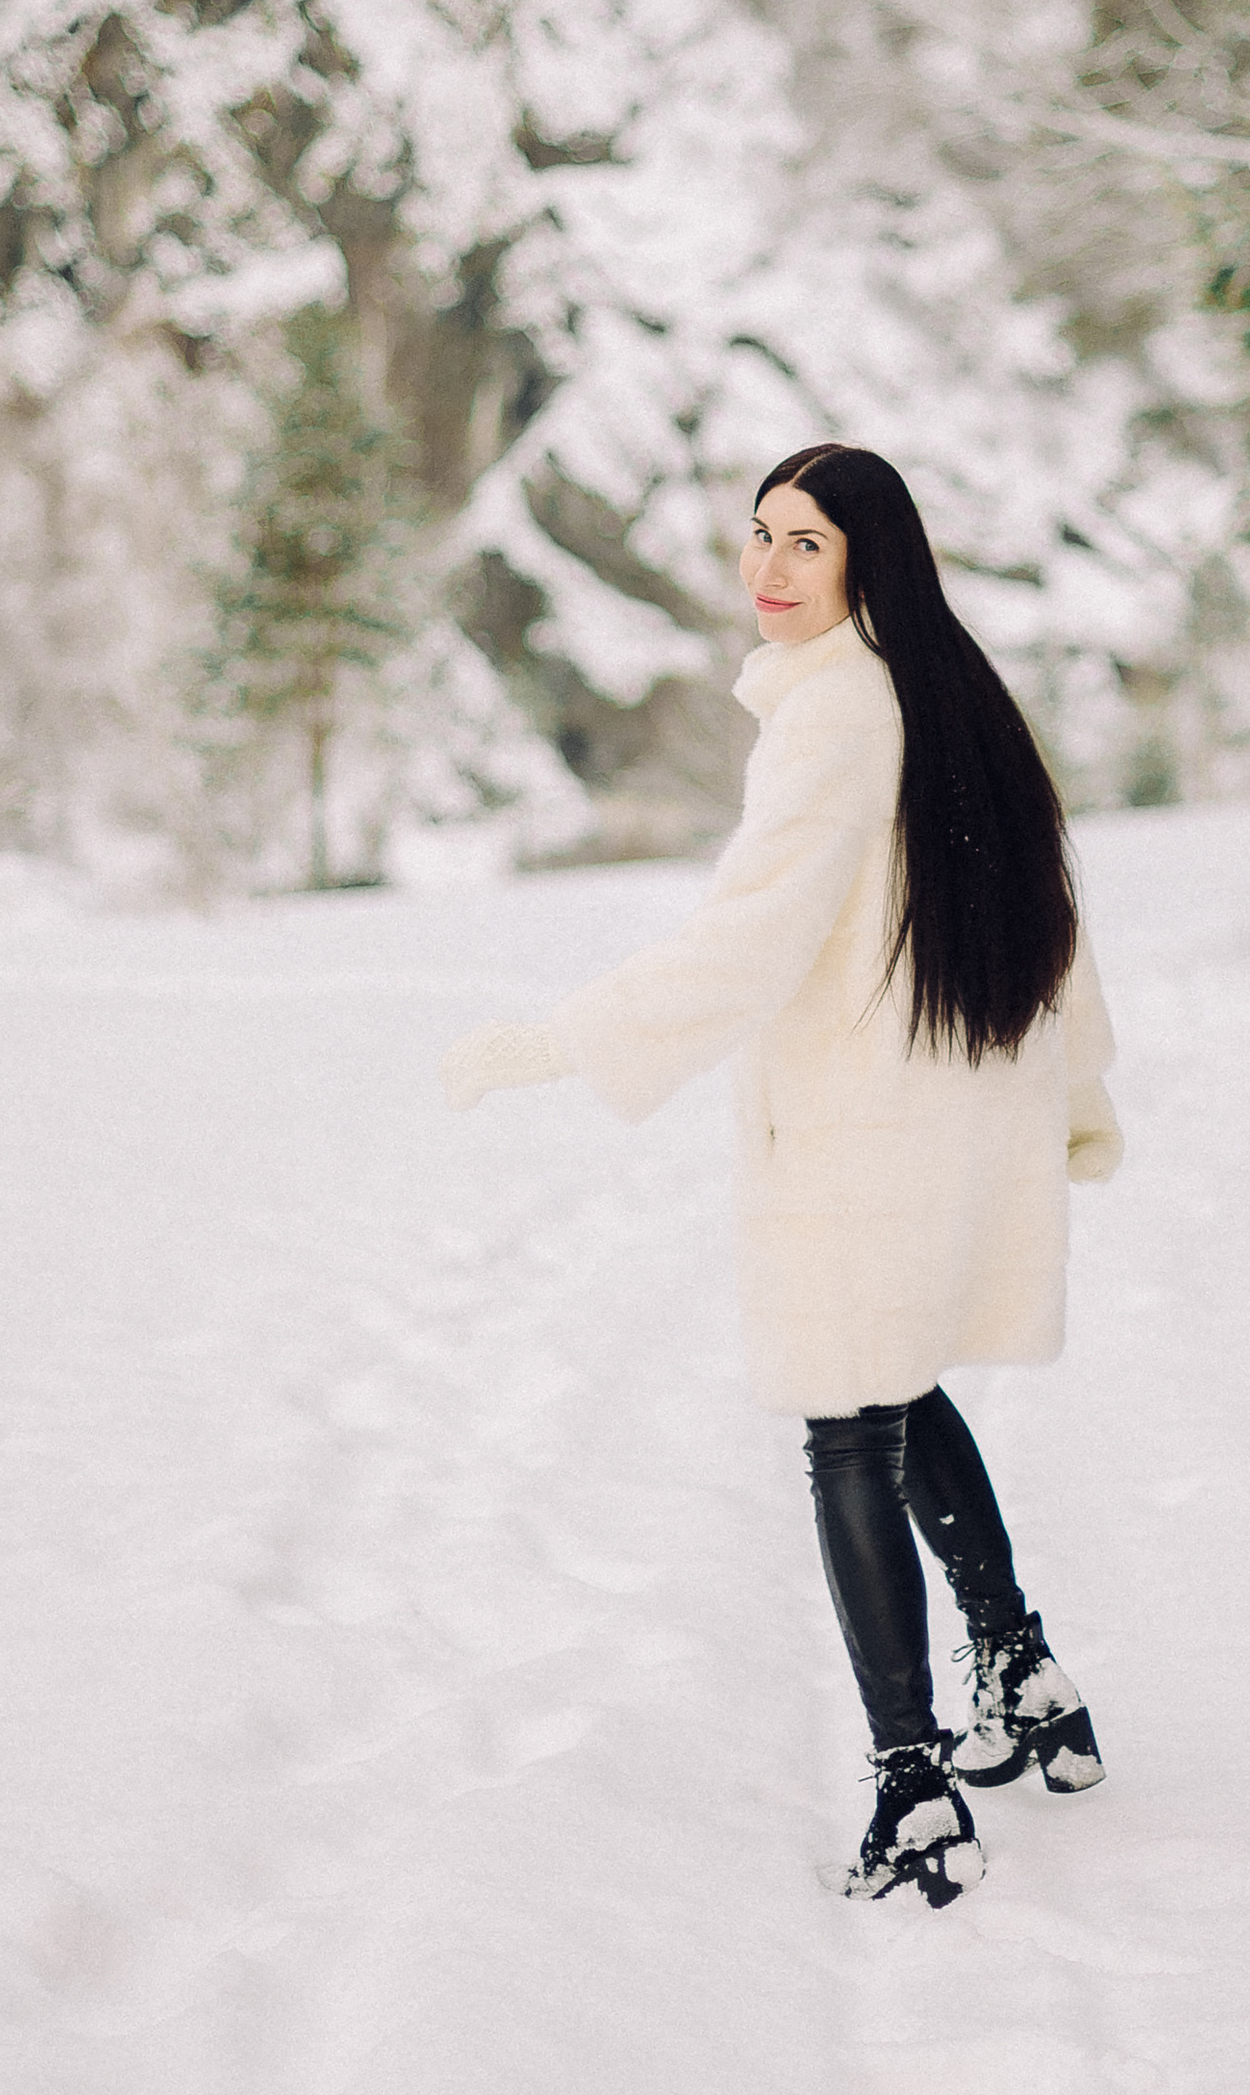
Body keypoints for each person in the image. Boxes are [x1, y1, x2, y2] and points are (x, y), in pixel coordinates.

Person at [441, 443, 1122, 1908]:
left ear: (870, 557)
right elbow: (1055, 921)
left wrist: (564, 1040)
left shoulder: (833, 717)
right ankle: (1024, 1673)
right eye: (757, 536)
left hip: (860, 1139)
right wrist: (1078, 1093)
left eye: (803, 543)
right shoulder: (949, 693)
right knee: (903, 1385)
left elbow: (749, 940)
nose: (765, 570)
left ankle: (911, 1781)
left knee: (845, 1426)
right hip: (946, 1124)